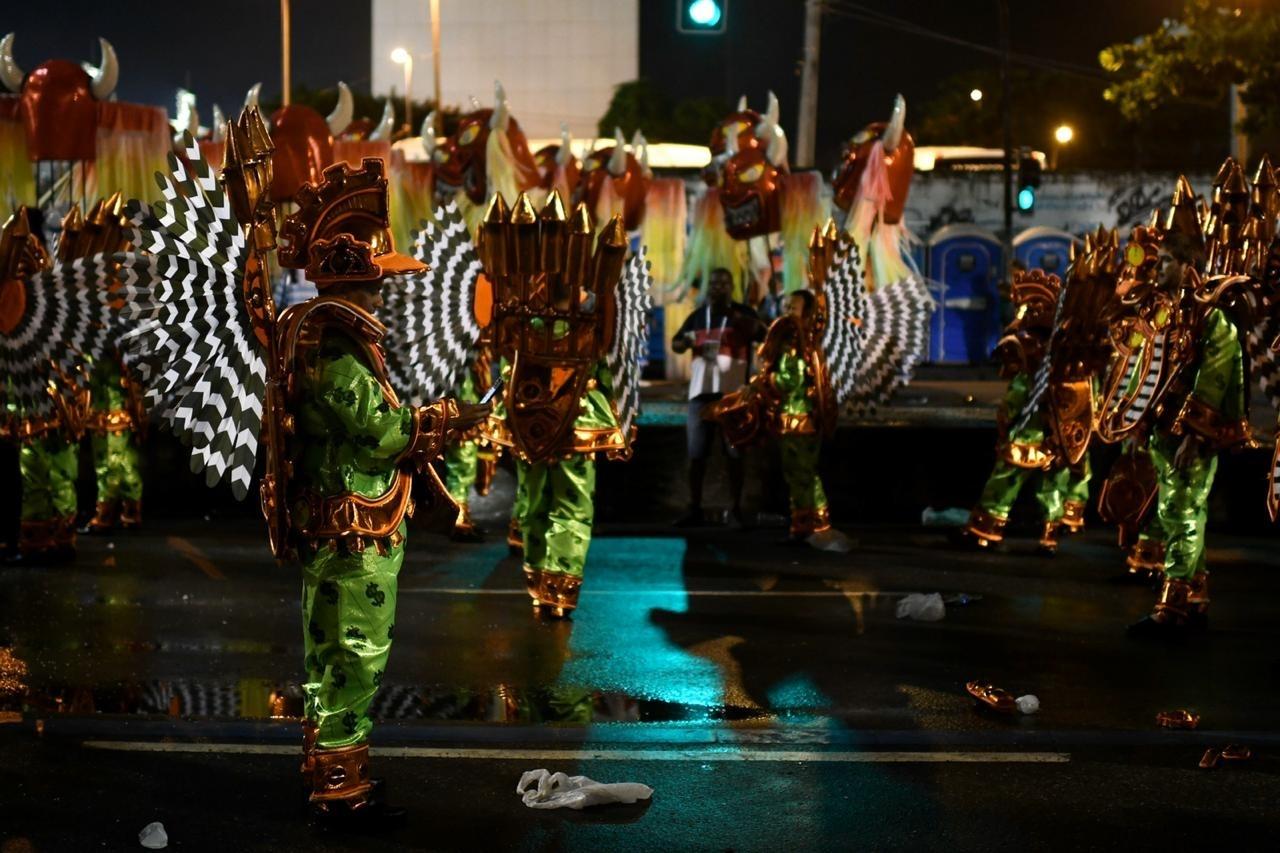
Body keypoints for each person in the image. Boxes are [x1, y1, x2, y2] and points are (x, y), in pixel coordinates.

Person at [670, 267, 764, 526]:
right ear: (707, 288)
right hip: (700, 394)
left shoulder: (743, 314)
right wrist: (686, 343)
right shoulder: (698, 317)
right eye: (713, 283)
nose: (717, 288)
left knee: (734, 454)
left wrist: (735, 317)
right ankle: (694, 508)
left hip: (733, 396)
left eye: (723, 283)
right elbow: (676, 343)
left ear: (731, 287)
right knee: (696, 454)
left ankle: (735, 509)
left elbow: (763, 335)